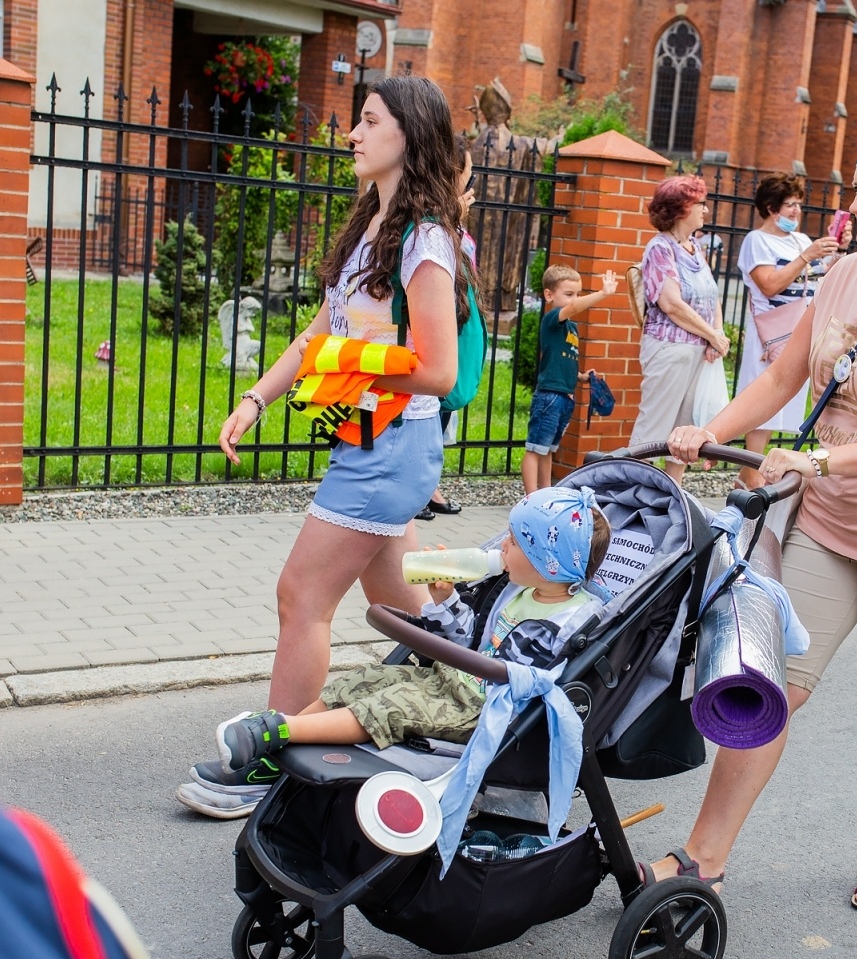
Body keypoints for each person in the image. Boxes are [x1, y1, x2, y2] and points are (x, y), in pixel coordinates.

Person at [663, 127, 857, 912]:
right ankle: (704, 856)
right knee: (767, 687)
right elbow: (780, 376)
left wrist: (822, 461)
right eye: (856, 188)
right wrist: (713, 430)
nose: (856, 204)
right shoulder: (841, 275)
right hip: (829, 526)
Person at [210, 76, 465, 757]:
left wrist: (350, 360)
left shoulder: (425, 242)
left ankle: (278, 752)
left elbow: (437, 371)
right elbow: (315, 334)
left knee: (301, 595)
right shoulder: (371, 228)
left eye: (369, 121)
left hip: (393, 445)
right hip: (367, 439)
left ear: (407, 134)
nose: (352, 133)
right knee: (396, 606)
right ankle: (484, 681)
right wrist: (254, 399)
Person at [212, 488, 610, 768]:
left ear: (549, 562)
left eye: (516, 542)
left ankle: (279, 732)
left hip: (484, 710)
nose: (503, 545)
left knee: (389, 705)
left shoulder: (567, 620)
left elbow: (507, 675)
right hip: (456, 681)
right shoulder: (516, 592)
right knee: (366, 679)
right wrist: (446, 599)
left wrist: (463, 658)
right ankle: (285, 737)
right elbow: (470, 641)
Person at [734, 173, 847, 488]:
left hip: (797, 330)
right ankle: (749, 474)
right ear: (771, 208)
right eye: (790, 205)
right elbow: (769, 284)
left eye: (798, 204)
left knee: (784, 405)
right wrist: (805, 257)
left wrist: (837, 249)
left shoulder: (800, 240)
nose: (797, 211)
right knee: (763, 402)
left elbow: (824, 274)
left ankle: (749, 477)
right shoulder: (756, 241)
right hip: (769, 334)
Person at [630, 175, 729, 483]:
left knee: (684, 431)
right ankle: (631, 491)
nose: (706, 210)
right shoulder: (660, 249)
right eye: (701, 203)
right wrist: (711, 334)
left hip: (698, 351)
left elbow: (711, 295)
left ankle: (672, 495)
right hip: (669, 350)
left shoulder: (694, 247)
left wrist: (718, 334)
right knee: (654, 427)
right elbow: (671, 304)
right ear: (681, 207)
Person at [523, 265, 622, 494]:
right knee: (535, 448)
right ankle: (530, 497)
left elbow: (562, 360)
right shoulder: (552, 320)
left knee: (548, 450)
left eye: (577, 293)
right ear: (549, 295)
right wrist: (603, 293)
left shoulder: (572, 328)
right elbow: (575, 307)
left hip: (565, 397)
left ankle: (545, 492)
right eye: (568, 294)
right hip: (549, 396)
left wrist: (581, 377)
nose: (574, 300)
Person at [421, 135, 478, 521]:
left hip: (455, 322)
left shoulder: (449, 219)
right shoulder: (431, 224)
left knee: (440, 409)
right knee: (432, 405)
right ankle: (423, 488)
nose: (471, 179)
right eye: (468, 171)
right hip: (437, 328)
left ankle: (428, 485)